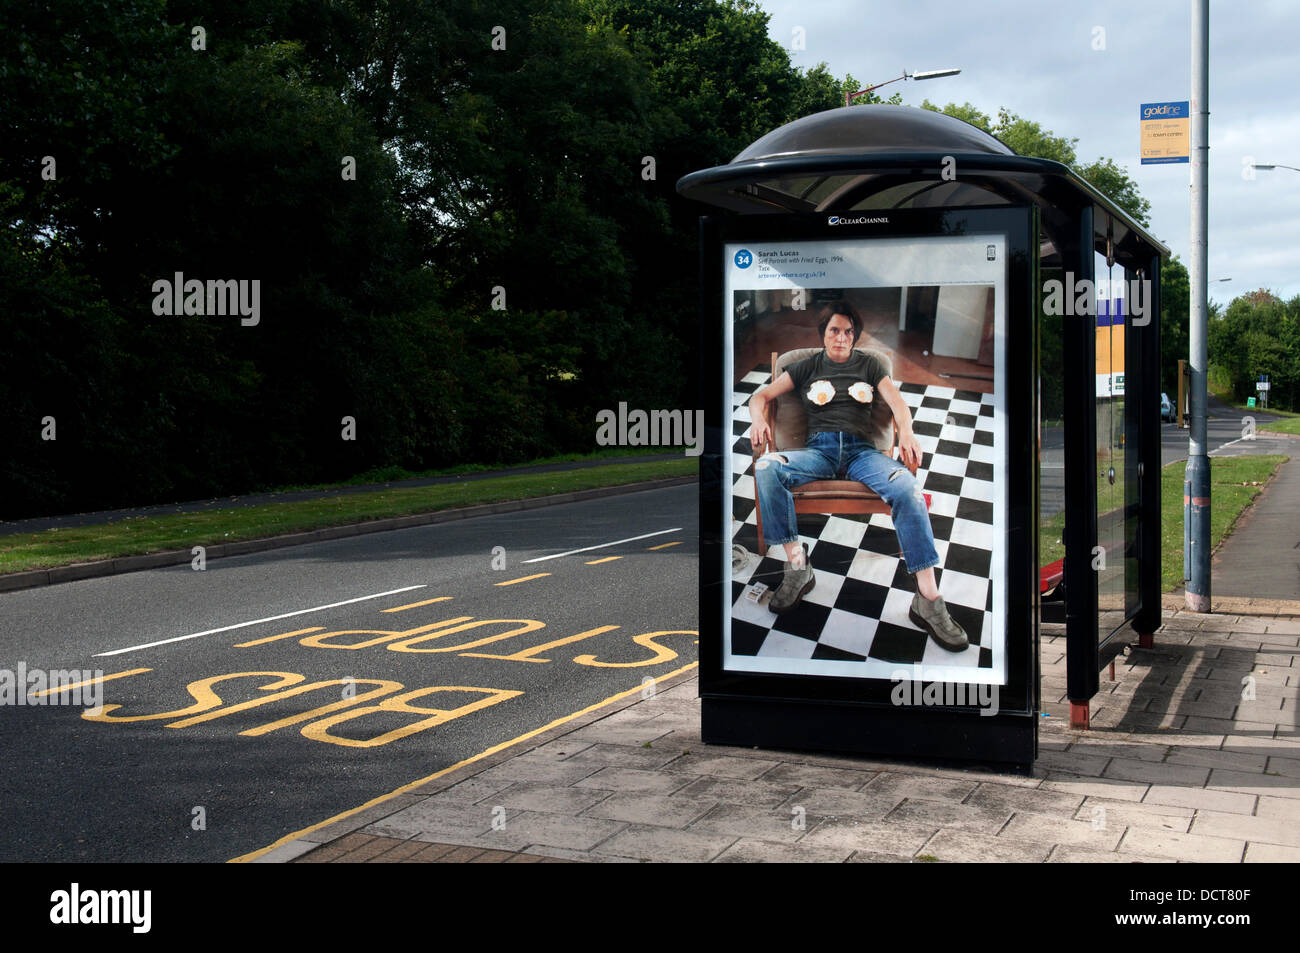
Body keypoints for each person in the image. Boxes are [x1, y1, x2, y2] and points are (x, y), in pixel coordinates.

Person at [748, 301, 968, 651]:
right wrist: (758, 419)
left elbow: (897, 402)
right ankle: (798, 566)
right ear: (824, 335)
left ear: (854, 336)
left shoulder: (869, 364)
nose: (841, 337)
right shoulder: (806, 367)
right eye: (834, 330)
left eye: (848, 331)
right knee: (766, 467)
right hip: (817, 451)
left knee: (909, 491)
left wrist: (907, 432)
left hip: (862, 454)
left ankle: (928, 600)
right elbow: (761, 396)